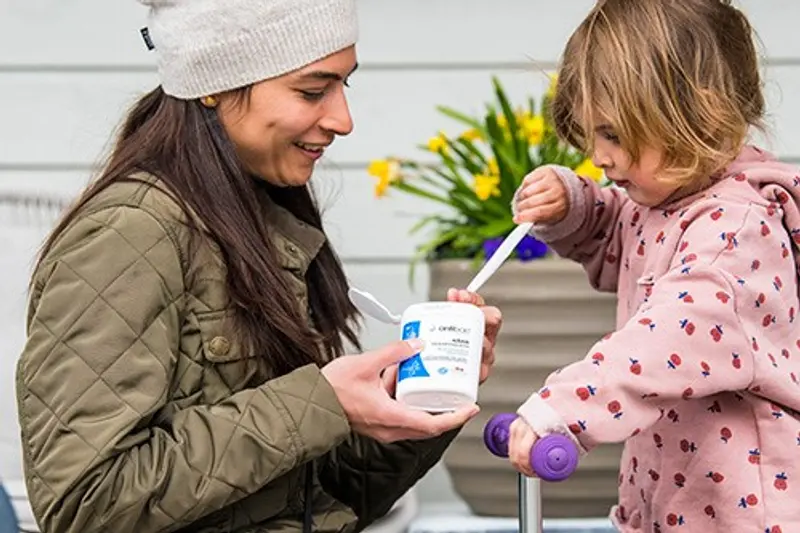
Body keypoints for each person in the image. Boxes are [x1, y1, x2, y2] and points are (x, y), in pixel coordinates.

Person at [14, 1, 502, 532]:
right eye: (313, 91)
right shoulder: (127, 236)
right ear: (214, 83)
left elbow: (317, 499)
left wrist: (418, 399)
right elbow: (86, 502)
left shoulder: (259, 221)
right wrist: (319, 404)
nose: (343, 120)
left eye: (345, 86)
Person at [509, 0, 799, 531]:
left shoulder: (736, 231)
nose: (599, 156)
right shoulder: (666, 202)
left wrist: (564, 408)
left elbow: (669, 338)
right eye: (591, 134)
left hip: (744, 515)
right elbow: (618, 237)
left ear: (698, 112)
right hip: (676, 496)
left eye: (613, 134)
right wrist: (574, 206)